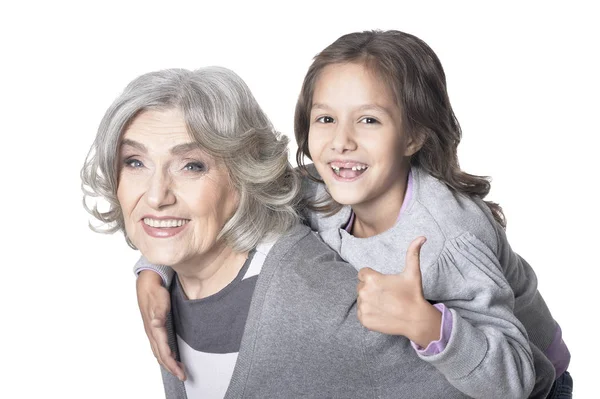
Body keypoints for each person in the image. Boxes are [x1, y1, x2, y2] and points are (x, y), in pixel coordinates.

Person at [136, 31, 572, 398]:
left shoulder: (447, 238)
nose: (341, 141)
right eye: (325, 119)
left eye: (368, 121)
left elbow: (518, 377)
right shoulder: (316, 188)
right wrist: (153, 270)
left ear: (414, 135)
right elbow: (224, 197)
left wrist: (425, 322)